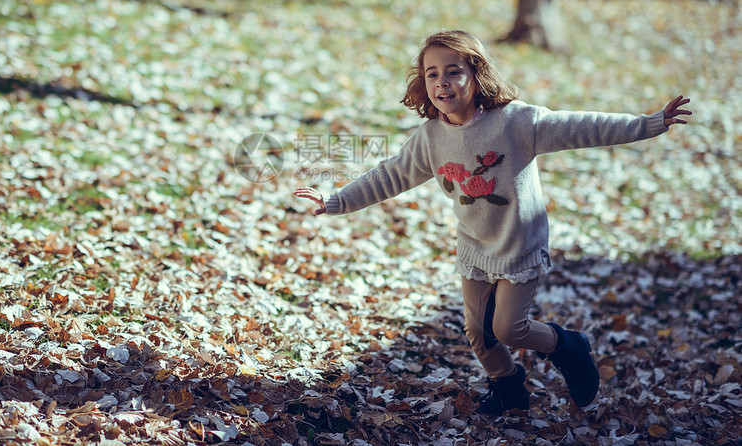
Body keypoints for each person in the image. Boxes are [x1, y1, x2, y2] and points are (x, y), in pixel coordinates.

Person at [294, 30, 691, 415]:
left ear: (476, 73)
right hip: (475, 247)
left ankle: (567, 345)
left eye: (453, 71)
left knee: (508, 329)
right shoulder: (431, 137)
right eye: (432, 74)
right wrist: (336, 200)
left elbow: (582, 127)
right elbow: (390, 175)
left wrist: (649, 123)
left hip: (518, 246)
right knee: (479, 335)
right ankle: (509, 388)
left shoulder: (516, 122)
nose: (442, 82)